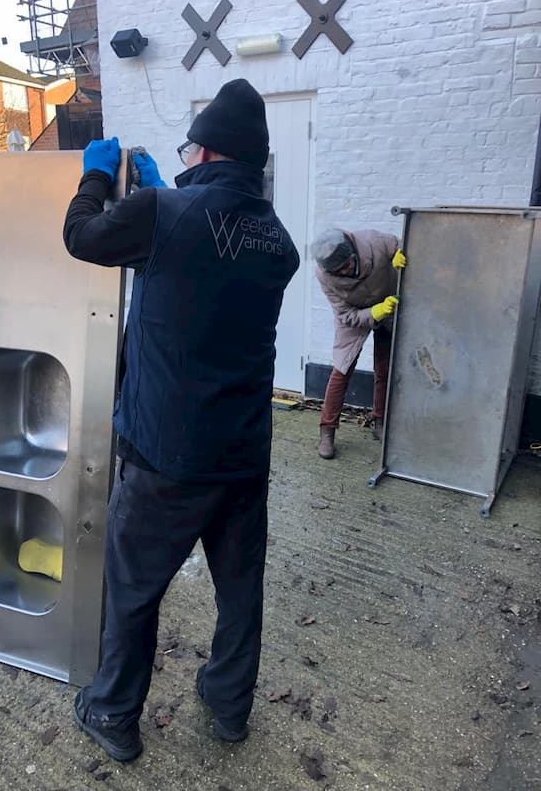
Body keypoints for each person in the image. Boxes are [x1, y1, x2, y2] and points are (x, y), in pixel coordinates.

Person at [62, 79, 299, 761]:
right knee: (239, 593)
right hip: (244, 453)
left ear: (205, 152)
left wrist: (97, 176)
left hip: (166, 455)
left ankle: (111, 712)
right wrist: (167, 197)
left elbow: (81, 238)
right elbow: (206, 264)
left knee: (132, 591)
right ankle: (228, 709)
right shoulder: (277, 241)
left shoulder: (163, 213)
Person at [313, 228, 407, 459]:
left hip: (390, 307)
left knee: (384, 368)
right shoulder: (324, 276)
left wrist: (400, 252)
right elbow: (347, 315)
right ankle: (327, 431)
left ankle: (379, 422)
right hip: (354, 317)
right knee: (341, 370)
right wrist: (375, 311)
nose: (345, 272)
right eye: (339, 271)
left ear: (353, 251)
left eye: (347, 264)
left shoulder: (374, 241)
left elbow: (402, 245)